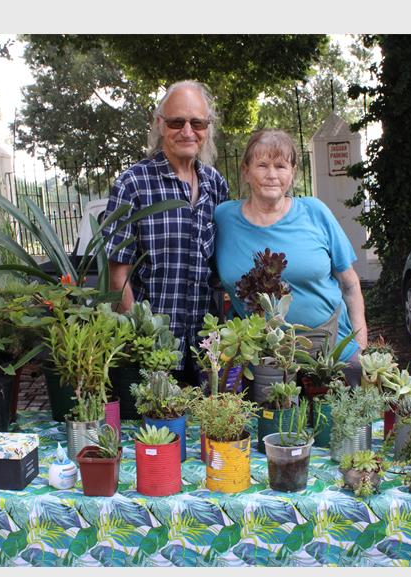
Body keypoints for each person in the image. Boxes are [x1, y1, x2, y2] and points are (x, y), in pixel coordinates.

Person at [213, 129, 368, 382]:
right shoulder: (223, 218)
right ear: (245, 171)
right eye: (262, 165)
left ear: (292, 172)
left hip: (332, 352)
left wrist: (361, 345)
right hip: (259, 361)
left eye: (281, 166)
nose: (272, 174)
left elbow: (350, 284)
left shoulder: (315, 212)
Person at [101, 80, 229, 384]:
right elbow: (117, 275)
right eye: (176, 121)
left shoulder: (215, 184)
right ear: (160, 124)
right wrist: (142, 343)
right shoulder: (133, 184)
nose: (187, 131)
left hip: (204, 350)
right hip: (153, 351)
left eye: (197, 122)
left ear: (207, 127)